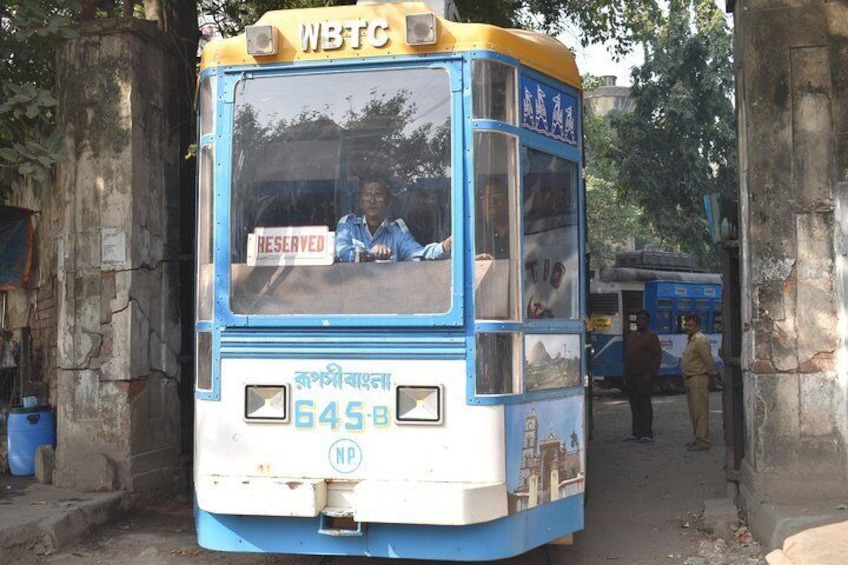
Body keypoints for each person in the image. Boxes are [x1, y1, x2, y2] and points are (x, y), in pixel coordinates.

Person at [335, 177, 451, 262]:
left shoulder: (397, 232)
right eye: (367, 195)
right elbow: (340, 251)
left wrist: (444, 246)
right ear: (361, 202)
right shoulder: (348, 226)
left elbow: (417, 254)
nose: (372, 200)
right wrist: (372, 254)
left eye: (378, 195)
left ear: (388, 202)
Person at [622, 310, 662, 443]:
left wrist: (651, 373)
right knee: (634, 405)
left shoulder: (652, 337)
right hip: (631, 376)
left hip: (644, 377)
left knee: (645, 405)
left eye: (643, 319)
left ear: (648, 321)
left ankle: (647, 433)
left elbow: (657, 356)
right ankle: (636, 432)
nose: (640, 321)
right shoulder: (632, 336)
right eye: (638, 319)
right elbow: (627, 354)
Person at [681, 313, 718, 451]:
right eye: (686, 325)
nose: (687, 327)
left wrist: (713, 375)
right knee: (694, 411)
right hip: (690, 379)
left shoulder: (700, 340)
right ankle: (697, 438)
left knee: (700, 411)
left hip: (698, 379)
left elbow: (707, 359)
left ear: (697, 326)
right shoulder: (691, 339)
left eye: (690, 325)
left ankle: (703, 441)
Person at [476, 180, 510, 260]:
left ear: (508, 201)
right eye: (486, 197)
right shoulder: (476, 235)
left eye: (497, 196)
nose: (491, 201)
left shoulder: (521, 231)